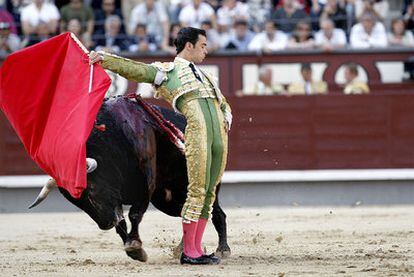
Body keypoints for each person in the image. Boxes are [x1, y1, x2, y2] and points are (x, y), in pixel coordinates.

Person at [88, 27, 232, 265]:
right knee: (196, 191)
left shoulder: (207, 77)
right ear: (189, 45)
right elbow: (136, 70)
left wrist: (226, 118)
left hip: (219, 137)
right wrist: (106, 59)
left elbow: (223, 104)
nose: (207, 50)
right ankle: (190, 252)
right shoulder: (167, 71)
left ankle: (196, 248)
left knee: (209, 193)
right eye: (203, 45)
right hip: (197, 134)